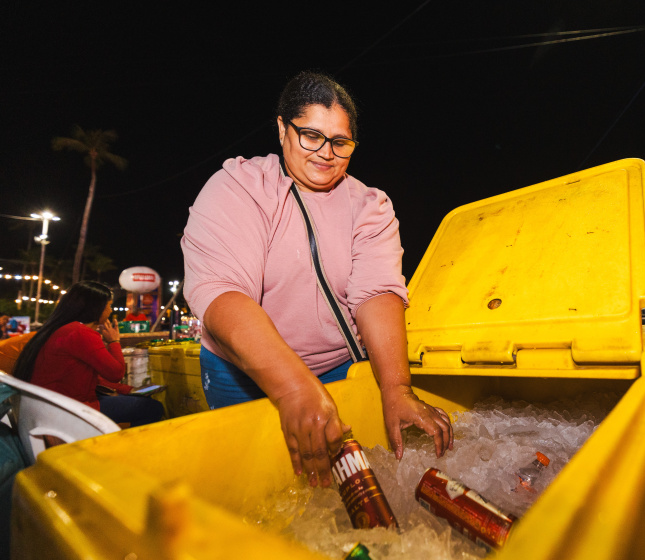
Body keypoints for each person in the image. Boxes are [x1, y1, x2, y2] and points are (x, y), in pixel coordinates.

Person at [182, 71, 453, 488]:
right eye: (311, 135)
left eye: (340, 142)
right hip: (239, 374)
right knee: (267, 486)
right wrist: (292, 388)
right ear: (281, 128)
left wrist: (396, 387)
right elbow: (221, 291)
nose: (326, 153)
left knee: (338, 490)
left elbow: (377, 293)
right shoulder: (238, 188)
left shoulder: (370, 205)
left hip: (336, 368)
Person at [11, 281, 164, 428]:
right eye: (109, 306)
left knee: (138, 399)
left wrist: (127, 389)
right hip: (68, 408)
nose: (111, 311)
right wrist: (114, 341)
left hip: (49, 405)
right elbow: (116, 373)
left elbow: (89, 377)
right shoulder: (81, 333)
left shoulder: (63, 329)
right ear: (96, 308)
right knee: (153, 408)